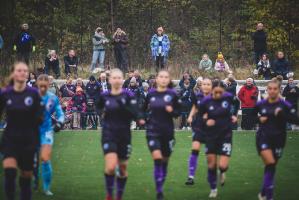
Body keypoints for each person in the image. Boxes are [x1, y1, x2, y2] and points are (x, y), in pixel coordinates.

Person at [96, 68, 144, 200]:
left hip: (124, 135)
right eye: (114, 77)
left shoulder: (128, 96)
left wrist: (139, 118)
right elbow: (98, 106)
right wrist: (101, 113)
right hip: (108, 134)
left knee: (122, 169)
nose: (117, 80)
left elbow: (136, 111)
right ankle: (109, 195)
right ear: (110, 80)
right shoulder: (104, 96)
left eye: (119, 77)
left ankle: (119, 196)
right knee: (111, 167)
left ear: (122, 80)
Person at [0, 62, 44, 200]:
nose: (23, 73)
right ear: (13, 73)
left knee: (26, 177)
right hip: (10, 139)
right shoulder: (5, 93)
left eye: (25, 71)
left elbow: (40, 116)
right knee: (10, 172)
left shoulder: (34, 94)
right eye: (19, 70)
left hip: (28, 140)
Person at [254, 80, 299, 200]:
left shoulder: (285, 105)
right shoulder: (261, 104)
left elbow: (296, 120)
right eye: (270, 88)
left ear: (279, 90)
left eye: (275, 89)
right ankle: (269, 196)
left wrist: (282, 114)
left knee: (271, 167)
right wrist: (259, 120)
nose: (272, 91)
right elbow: (251, 117)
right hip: (263, 137)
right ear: (267, 90)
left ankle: (263, 192)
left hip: (279, 139)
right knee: (270, 163)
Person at [143, 70, 182, 200]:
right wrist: (143, 119)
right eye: (161, 77)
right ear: (157, 79)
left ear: (169, 79)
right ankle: (159, 191)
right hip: (152, 132)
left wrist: (172, 111)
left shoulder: (172, 94)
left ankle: (161, 184)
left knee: (164, 161)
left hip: (168, 132)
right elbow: (142, 109)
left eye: (166, 77)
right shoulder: (150, 94)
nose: (164, 79)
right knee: (158, 159)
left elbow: (178, 112)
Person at [199, 80, 238, 198]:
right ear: (212, 91)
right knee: (211, 164)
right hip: (210, 136)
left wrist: (234, 115)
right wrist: (206, 120)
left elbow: (237, 103)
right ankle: (213, 189)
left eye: (221, 92)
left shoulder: (228, 97)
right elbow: (200, 117)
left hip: (225, 135)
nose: (218, 95)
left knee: (223, 166)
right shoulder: (206, 101)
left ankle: (222, 172)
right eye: (216, 92)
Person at [35, 74, 64, 195]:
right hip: (32, 132)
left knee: (45, 158)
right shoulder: (31, 96)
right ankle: (35, 181)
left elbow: (60, 113)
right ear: (37, 84)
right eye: (40, 84)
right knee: (34, 161)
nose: (42, 86)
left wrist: (60, 123)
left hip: (47, 131)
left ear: (48, 84)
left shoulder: (53, 98)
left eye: (44, 84)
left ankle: (46, 188)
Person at [185, 78, 212, 185]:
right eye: (204, 84)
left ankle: (211, 175)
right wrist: (191, 116)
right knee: (195, 149)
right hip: (199, 126)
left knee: (209, 154)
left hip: (211, 129)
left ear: (211, 86)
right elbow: (195, 106)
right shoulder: (199, 96)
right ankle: (191, 177)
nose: (205, 86)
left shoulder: (215, 98)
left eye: (208, 84)